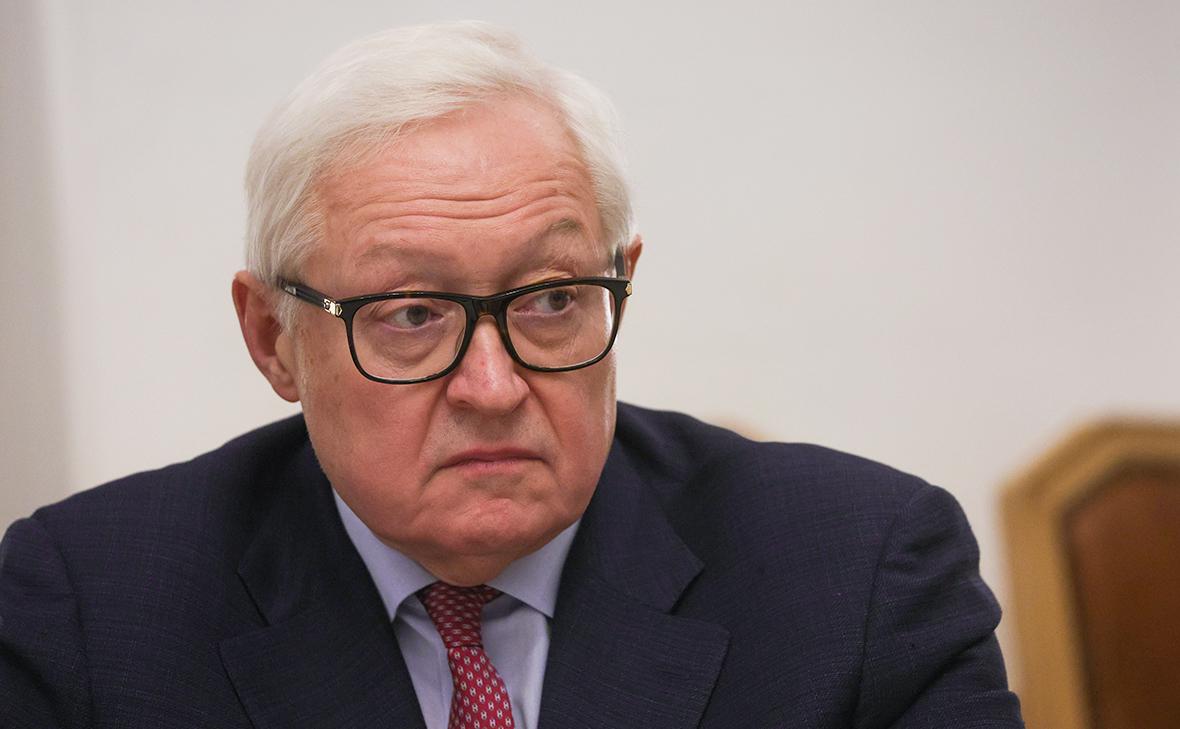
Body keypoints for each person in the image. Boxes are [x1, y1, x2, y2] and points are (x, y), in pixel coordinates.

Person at [0, 21, 1023, 729]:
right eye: (410, 315)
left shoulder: (861, 575)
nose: (492, 388)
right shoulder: (88, 610)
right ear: (273, 338)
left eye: (550, 299)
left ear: (620, 285)